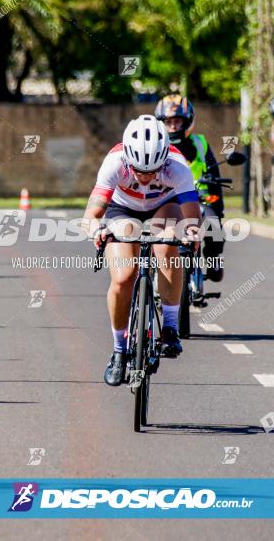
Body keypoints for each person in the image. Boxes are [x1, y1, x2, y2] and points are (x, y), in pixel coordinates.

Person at [83, 115, 201, 386]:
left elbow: (192, 217)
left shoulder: (178, 167)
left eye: (153, 171)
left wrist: (192, 233)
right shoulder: (114, 162)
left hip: (165, 205)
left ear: (165, 160)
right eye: (139, 170)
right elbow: (92, 213)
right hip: (123, 209)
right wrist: (96, 230)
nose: (146, 178)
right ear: (127, 158)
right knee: (124, 276)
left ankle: (170, 327)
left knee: (167, 246)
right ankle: (118, 351)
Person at [154, 93, 225, 281]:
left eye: (177, 121)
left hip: (197, 198)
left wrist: (218, 207)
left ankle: (212, 259)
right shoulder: (156, 146)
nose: (173, 126)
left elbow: (215, 174)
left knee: (213, 222)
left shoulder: (200, 144)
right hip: (166, 199)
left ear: (187, 121)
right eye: (168, 121)